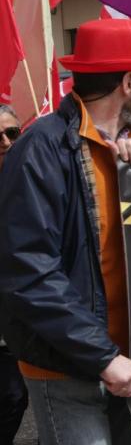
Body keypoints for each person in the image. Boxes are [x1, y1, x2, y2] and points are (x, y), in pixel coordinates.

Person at [0, 18, 131, 445]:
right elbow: (29, 271)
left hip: (129, 363)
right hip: (68, 370)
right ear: (129, 82)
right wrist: (103, 356)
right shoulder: (40, 149)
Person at [0, 105, 27, 445]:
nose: (5, 141)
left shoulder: (37, 179)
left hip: (25, 322)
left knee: (15, 400)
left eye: (12, 133)